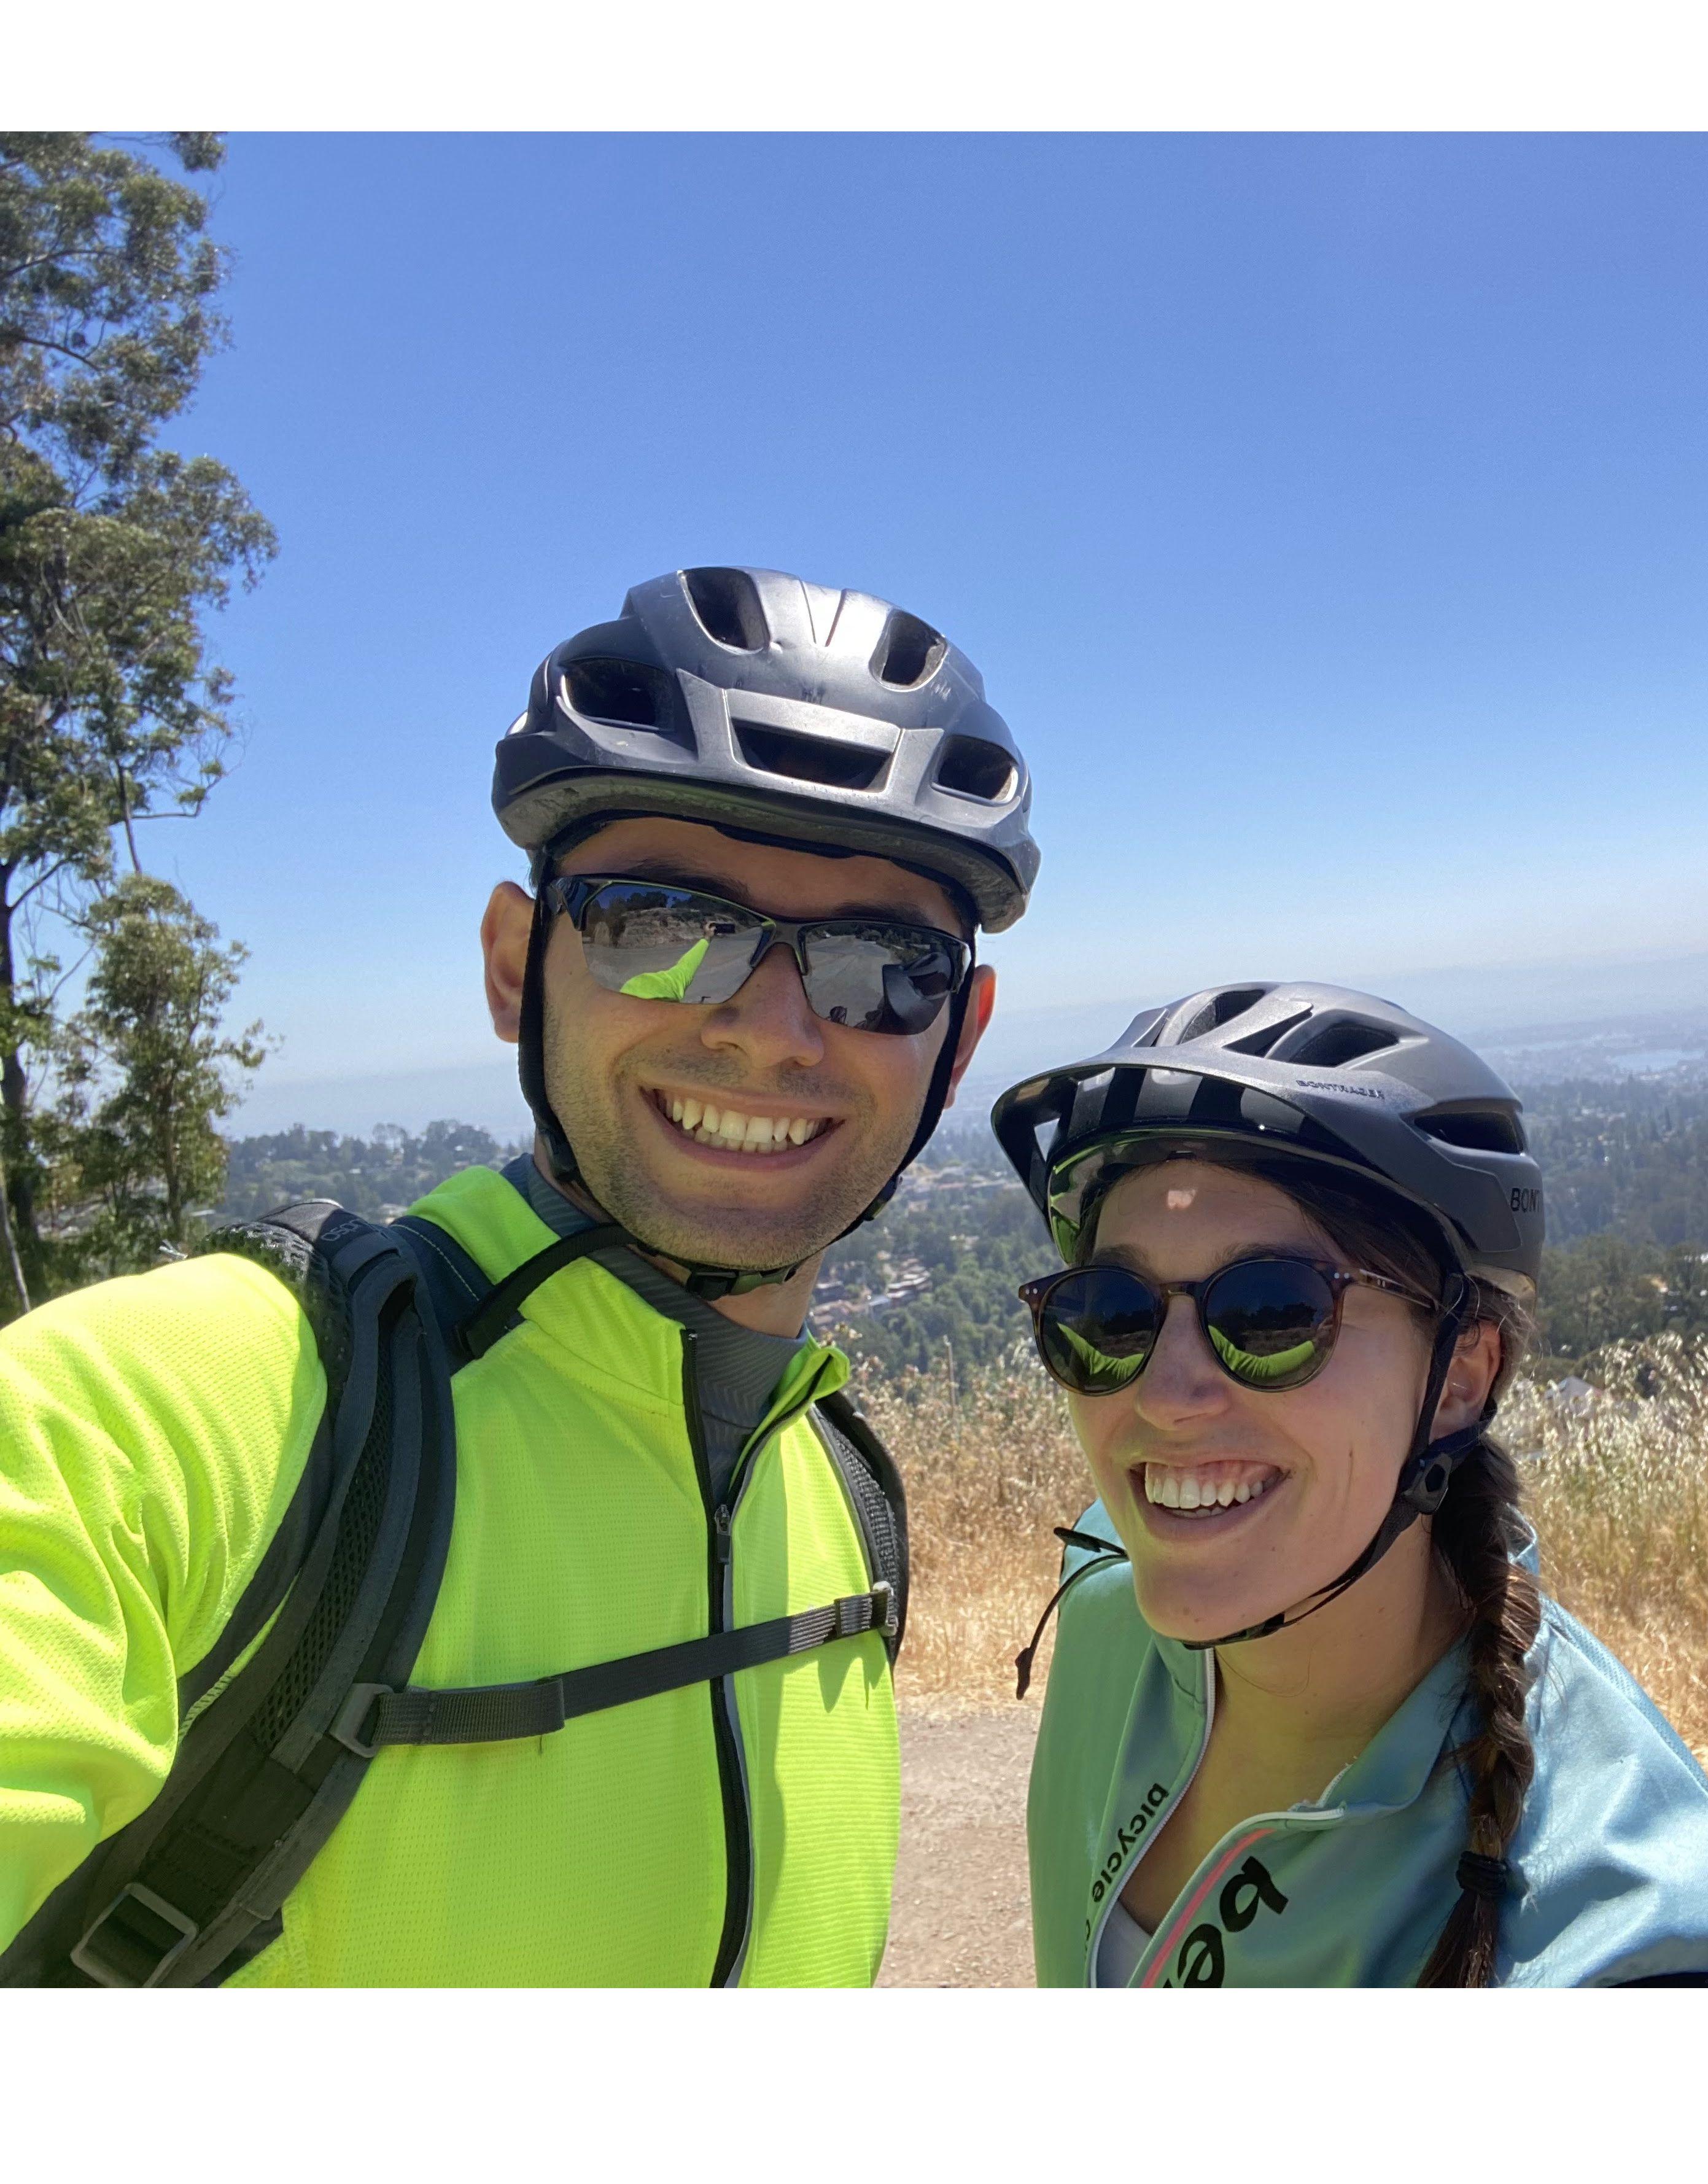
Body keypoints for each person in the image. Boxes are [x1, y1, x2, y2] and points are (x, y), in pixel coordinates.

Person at [0, 564, 1035, 1986]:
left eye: (882, 966)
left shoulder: (841, 1490)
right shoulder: (154, 1416)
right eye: (665, 923)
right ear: (514, 965)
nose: (775, 1029)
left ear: (960, 1038)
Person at [994, 982, 1708, 1988]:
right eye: (1111, 1312)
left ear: (1460, 1375)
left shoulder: (1635, 1939)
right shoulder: (1110, 1582)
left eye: (1273, 1311)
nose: (1167, 1395)